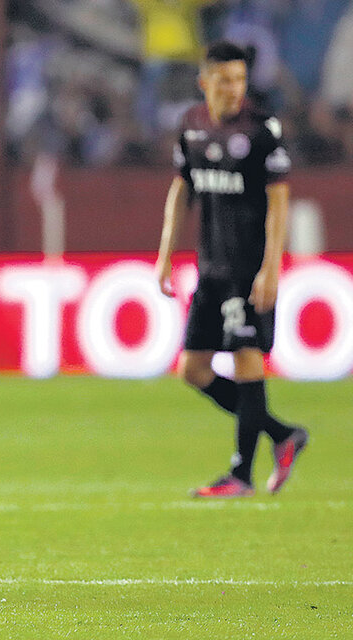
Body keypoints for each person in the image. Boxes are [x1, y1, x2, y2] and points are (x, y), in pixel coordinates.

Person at [154, 40, 308, 498]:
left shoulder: (263, 130)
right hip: (211, 269)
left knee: (246, 360)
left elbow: (279, 203)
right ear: (205, 83)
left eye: (240, 79)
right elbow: (182, 190)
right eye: (225, 80)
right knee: (192, 369)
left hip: (248, 268)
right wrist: (165, 254)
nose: (235, 88)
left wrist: (271, 269)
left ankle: (241, 475)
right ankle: (282, 435)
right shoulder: (192, 126)